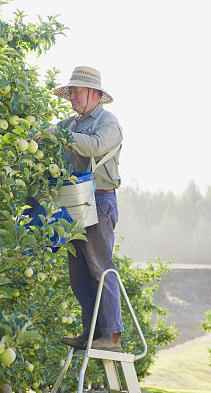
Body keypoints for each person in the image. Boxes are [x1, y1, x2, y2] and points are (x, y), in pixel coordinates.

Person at [44, 66, 124, 351]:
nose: (72, 98)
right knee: (78, 274)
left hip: (100, 201)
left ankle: (112, 334)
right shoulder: (71, 124)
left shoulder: (107, 123)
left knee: (100, 267)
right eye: (71, 92)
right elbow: (49, 134)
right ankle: (91, 332)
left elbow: (95, 146)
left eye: (76, 92)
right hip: (75, 203)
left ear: (94, 93)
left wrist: (58, 135)